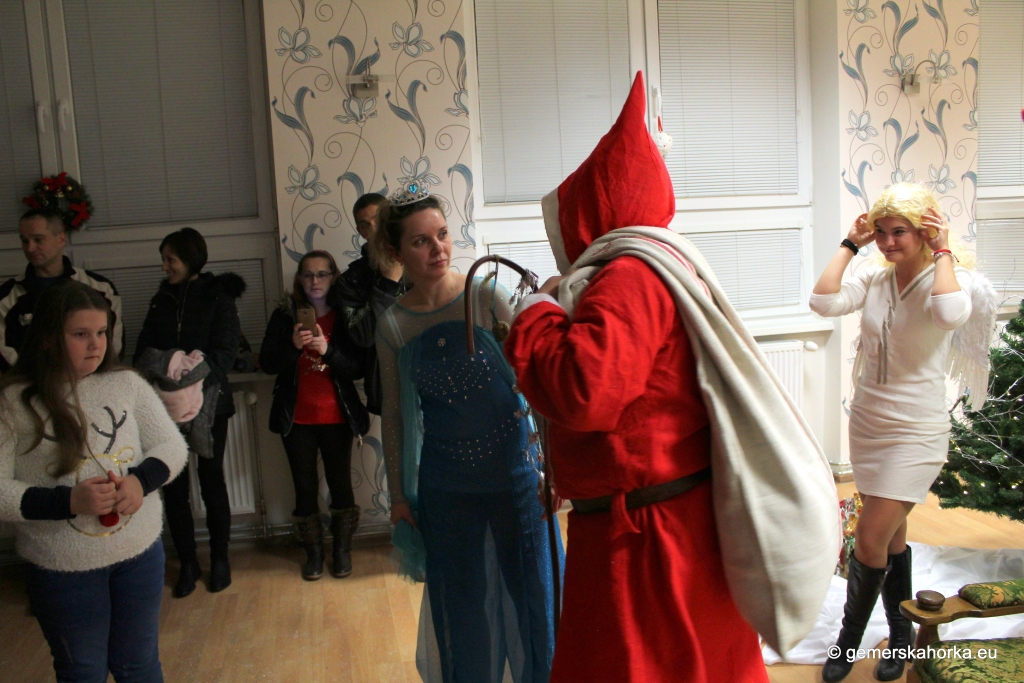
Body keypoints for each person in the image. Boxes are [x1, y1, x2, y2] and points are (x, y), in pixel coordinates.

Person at [503, 75, 782, 683]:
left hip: (648, 541)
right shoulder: (650, 265)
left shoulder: (630, 274)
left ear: (596, 205)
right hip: (652, 522)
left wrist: (534, 315)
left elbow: (585, 390)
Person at [375, 185, 561, 682]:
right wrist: (398, 496)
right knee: (462, 606)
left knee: (534, 599)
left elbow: (534, 380)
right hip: (447, 488)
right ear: (396, 252)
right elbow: (393, 414)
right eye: (420, 241)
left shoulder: (484, 295)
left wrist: (553, 467)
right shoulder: (394, 325)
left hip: (515, 477)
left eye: (442, 234)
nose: (438, 249)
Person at [811, 183, 990, 682]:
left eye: (900, 232)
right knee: (890, 538)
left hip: (916, 431)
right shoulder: (875, 277)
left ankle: (848, 643)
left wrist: (944, 249)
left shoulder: (953, 279)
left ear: (923, 232)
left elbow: (949, 315)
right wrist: (851, 244)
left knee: (868, 539)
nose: (888, 242)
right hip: (869, 423)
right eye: (883, 232)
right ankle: (902, 632)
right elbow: (822, 302)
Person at [0, 280, 187, 683]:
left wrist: (140, 482)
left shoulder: (126, 383)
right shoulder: (13, 401)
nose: (95, 344)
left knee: (139, 666)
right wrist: (68, 502)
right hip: (62, 570)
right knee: (82, 671)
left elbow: (172, 446)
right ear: (48, 338)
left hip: (139, 557)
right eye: (80, 334)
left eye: (101, 332)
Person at [134, 227, 245, 598]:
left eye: (171, 259)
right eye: (163, 259)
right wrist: (169, 372)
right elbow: (142, 351)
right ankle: (188, 562)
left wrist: (189, 378)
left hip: (212, 403)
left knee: (212, 481)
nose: (165, 267)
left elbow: (226, 352)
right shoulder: (160, 299)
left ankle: (220, 559)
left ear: (190, 258)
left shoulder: (219, 296)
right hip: (163, 408)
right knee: (173, 487)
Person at [259, 250, 369, 580]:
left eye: (322, 274)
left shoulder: (344, 316)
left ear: (333, 278)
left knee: (341, 485)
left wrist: (327, 350)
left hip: (337, 418)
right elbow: (267, 363)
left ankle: (342, 551)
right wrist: (293, 346)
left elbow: (357, 367)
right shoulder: (284, 316)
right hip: (297, 420)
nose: (315, 281)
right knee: (304, 488)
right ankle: (314, 554)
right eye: (308, 274)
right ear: (299, 280)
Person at [1, 208, 123, 372]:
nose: (30, 248)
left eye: (38, 240)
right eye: (24, 241)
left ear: (60, 239)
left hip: (93, 378)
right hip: (31, 381)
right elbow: (4, 353)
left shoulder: (100, 288)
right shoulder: (7, 296)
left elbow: (114, 344)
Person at [334, 193, 406, 415]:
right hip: (386, 386)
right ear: (360, 231)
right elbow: (363, 336)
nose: (374, 229)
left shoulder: (416, 260)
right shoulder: (351, 280)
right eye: (366, 224)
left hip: (431, 377)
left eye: (378, 219)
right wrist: (388, 282)